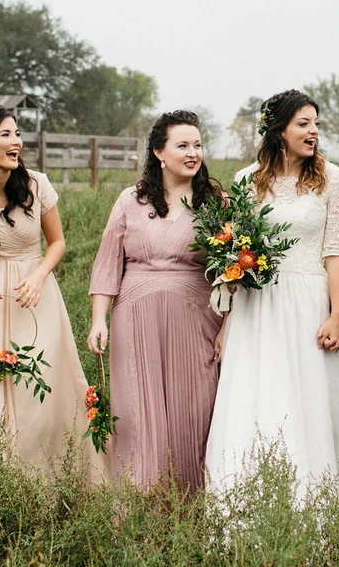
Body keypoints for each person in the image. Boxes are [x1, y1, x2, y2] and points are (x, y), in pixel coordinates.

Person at [204, 90, 339, 509]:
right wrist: (227, 325)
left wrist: (338, 314)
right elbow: (239, 258)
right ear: (278, 130)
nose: (313, 132)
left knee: (312, 401)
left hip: (309, 302)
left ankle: (319, 504)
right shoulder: (246, 180)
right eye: (303, 124)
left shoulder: (331, 177)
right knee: (258, 398)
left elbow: (335, 251)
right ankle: (251, 505)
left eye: (316, 124)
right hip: (258, 307)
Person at [0, 103, 105, 484]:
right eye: (6, 134)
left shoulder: (36, 185)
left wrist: (40, 274)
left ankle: (44, 485)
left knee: (39, 400)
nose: (17, 142)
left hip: (35, 300)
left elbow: (58, 242)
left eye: (17, 134)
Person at [88, 110, 224, 493]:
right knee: (137, 412)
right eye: (182, 145)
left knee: (193, 411)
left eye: (197, 145)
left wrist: (227, 328)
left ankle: (190, 504)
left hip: (196, 318)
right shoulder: (131, 201)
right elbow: (107, 264)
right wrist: (99, 320)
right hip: (135, 317)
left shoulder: (216, 203)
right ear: (159, 153)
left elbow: (232, 277)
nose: (192, 153)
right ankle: (137, 505)